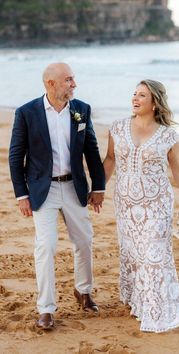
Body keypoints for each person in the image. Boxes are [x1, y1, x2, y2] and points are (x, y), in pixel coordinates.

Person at [9, 63, 105, 330]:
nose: (74, 84)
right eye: (68, 80)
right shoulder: (27, 112)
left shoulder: (81, 110)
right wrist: (21, 195)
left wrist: (98, 187)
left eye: (73, 79)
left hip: (74, 188)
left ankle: (84, 291)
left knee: (84, 241)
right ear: (50, 83)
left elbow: (92, 150)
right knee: (46, 246)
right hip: (43, 190)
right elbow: (16, 156)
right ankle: (46, 308)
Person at [103, 79, 179, 333]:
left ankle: (159, 313)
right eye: (134, 94)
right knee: (134, 254)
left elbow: (178, 170)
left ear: (155, 102)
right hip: (126, 204)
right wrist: (98, 189)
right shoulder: (118, 127)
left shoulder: (168, 135)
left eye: (142, 95)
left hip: (156, 205)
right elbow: (110, 159)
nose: (135, 98)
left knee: (155, 255)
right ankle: (140, 303)